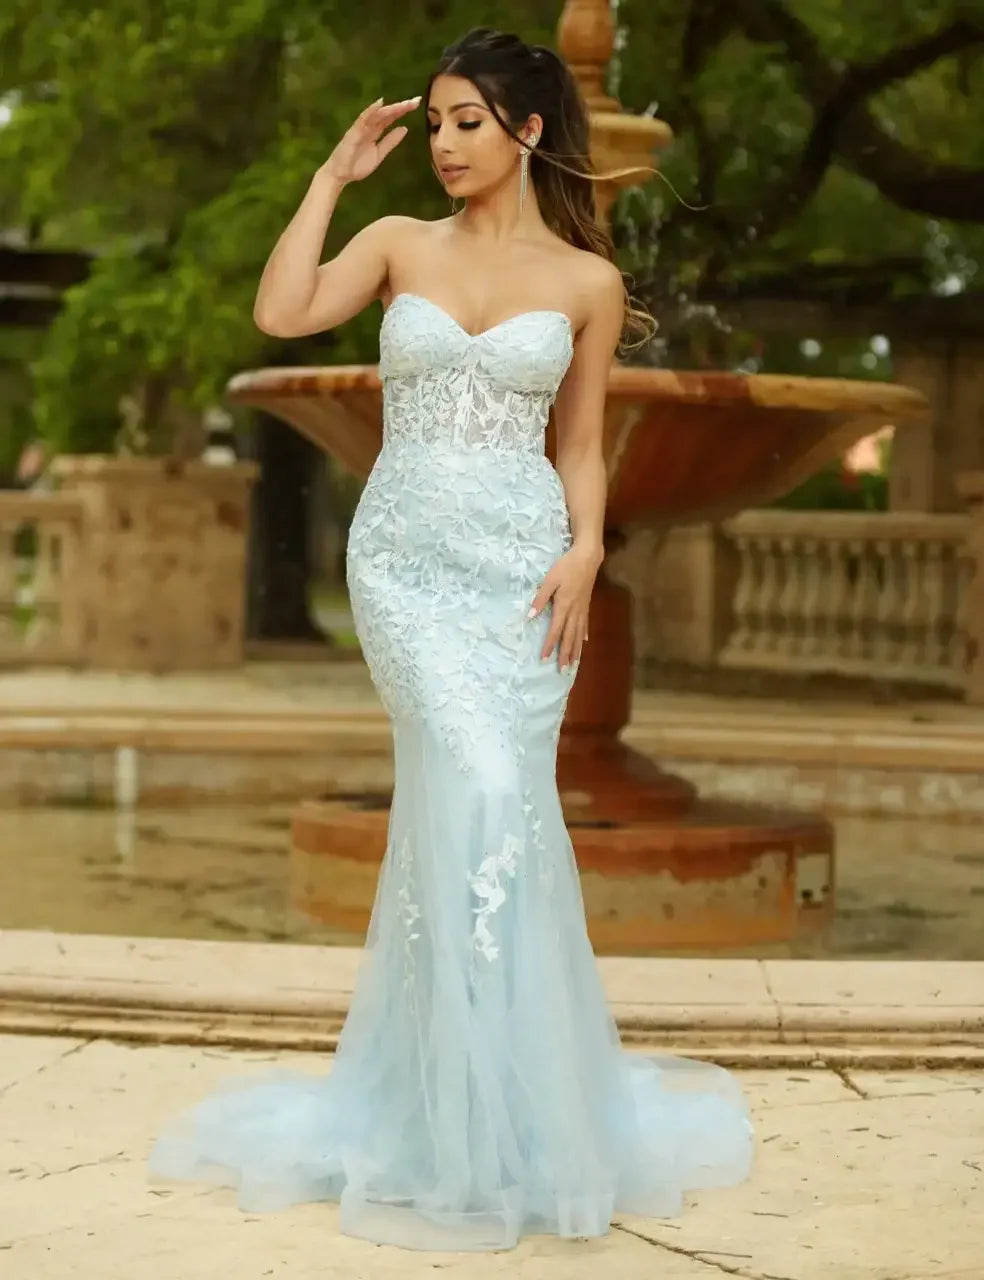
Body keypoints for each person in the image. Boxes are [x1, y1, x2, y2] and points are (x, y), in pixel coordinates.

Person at [146, 26, 754, 1252]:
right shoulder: (393, 243)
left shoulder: (588, 283)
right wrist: (333, 178)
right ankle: (447, 1126)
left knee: (494, 814)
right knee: (473, 789)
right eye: (431, 123)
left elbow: (581, 446)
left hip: (526, 570)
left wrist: (585, 546)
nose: (441, 145)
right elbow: (279, 308)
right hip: (408, 566)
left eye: (464, 122)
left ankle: (505, 1121)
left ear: (528, 130)